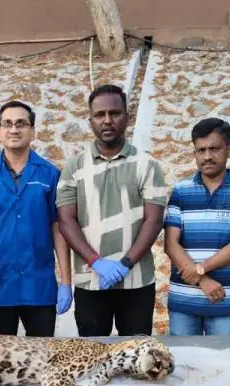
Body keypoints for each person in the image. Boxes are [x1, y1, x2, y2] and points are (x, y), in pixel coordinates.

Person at [56, 84, 168, 336]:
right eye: (99, 115)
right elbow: (66, 220)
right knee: (93, 357)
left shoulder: (146, 165)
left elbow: (154, 220)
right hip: (90, 281)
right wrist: (96, 262)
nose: (107, 120)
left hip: (137, 281)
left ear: (126, 118)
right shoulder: (74, 167)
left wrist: (125, 263)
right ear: (91, 121)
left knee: (138, 356)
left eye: (114, 113)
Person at [0, 100, 72, 336]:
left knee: (41, 359)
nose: (14, 129)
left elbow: (58, 229)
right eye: (8, 124)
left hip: (39, 287)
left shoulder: (50, 174)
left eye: (21, 124)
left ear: (32, 131)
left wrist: (65, 281)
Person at [164, 117, 230, 336]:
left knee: (223, 366)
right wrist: (203, 279)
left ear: (229, 149)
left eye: (215, 149)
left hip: (224, 300)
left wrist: (199, 269)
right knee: (183, 365)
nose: (207, 156)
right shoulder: (181, 190)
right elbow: (171, 244)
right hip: (183, 301)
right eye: (201, 150)